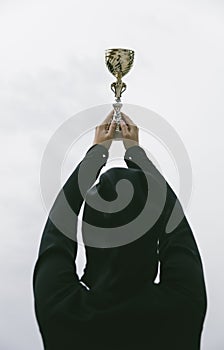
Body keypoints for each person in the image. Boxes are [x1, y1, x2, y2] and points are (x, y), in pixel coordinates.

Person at [33, 110, 207, 350]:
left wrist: (96, 154)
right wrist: (136, 154)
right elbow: (176, 226)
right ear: (152, 237)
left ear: (89, 236)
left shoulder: (61, 310)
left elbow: (56, 232)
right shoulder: (183, 305)